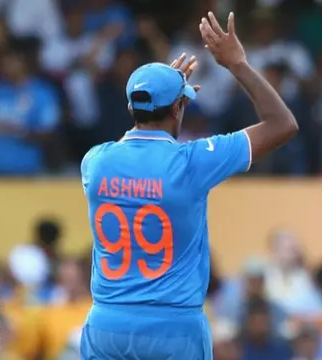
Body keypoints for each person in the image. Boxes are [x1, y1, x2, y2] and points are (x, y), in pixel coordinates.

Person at [79, 11, 298, 360]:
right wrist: (238, 64)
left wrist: (164, 93)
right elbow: (281, 124)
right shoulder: (192, 163)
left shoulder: (95, 162)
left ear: (130, 106)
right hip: (173, 330)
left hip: (107, 325)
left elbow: (136, 134)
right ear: (179, 107)